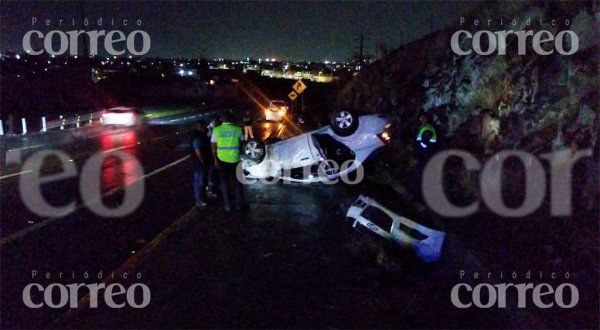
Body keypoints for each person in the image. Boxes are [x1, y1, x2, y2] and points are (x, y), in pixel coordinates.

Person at [211, 112, 244, 212]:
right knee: (238, 183)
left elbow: (213, 147)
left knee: (224, 183)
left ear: (222, 120)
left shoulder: (216, 130)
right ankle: (239, 205)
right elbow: (242, 143)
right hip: (236, 159)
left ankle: (228, 206)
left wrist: (215, 159)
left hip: (222, 160)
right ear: (232, 119)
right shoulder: (238, 129)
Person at [191, 120, 211, 207]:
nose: (206, 128)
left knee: (204, 181)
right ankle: (199, 200)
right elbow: (198, 151)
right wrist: (203, 162)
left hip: (202, 163)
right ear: (200, 127)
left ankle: (204, 197)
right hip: (199, 164)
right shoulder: (197, 137)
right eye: (204, 126)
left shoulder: (201, 135)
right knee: (199, 182)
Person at [206, 115, 222, 199]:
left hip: (216, 153)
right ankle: (211, 190)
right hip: (211, 154)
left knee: (216, 171)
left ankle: (216, 187)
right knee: (211, 172)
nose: (219, 123)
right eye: (217, 121)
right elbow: (211, 142)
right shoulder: (209, 130)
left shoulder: (216, 129)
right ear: (213, 121)